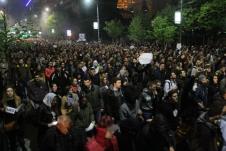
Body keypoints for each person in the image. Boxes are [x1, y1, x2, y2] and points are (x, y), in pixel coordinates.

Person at [1, 86, 26, 151]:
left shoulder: (18, 98)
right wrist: (3, 110)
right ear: (5, 92)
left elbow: (20, 109)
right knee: (12, 141)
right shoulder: (3, 102)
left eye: (11, 91)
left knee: (21, 139)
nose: (9, 93)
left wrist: (22, 109)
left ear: (13, 91)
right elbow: (3, 114)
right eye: (8, 91)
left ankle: (23, 148)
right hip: (10, 122)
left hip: (18, 121)